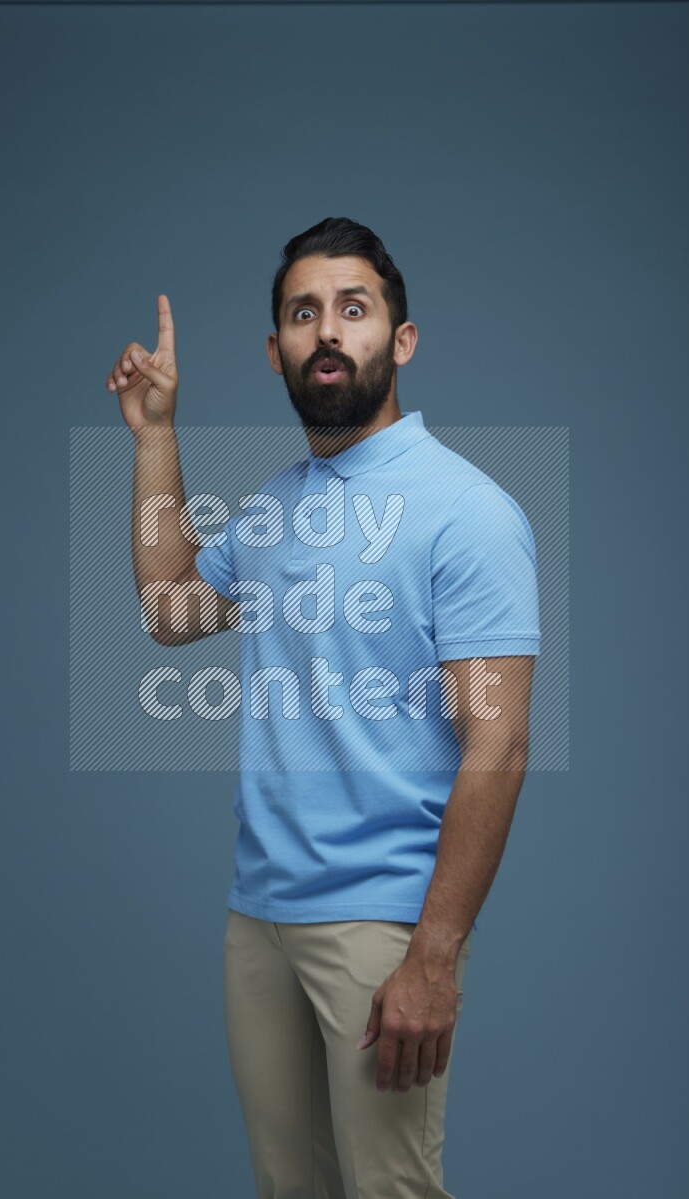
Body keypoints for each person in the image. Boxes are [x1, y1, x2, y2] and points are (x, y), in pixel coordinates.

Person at [105, 216, 540, 1199]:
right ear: (275, 352)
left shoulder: (464, 511)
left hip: (381, 923)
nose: (327, 330)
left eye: (354, 307)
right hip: (256, 918)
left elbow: (498, 743)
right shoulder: (272, 508)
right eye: (303, 313)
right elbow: (170, 606)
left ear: (401, 338)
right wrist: (156, 435)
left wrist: (432, 957)